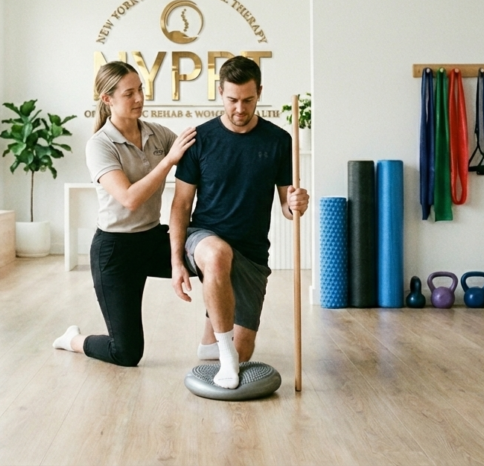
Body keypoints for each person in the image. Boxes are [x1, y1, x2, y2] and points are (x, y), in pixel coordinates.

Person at [169, 55, 309, 389]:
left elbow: (287, 209)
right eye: (232, 100)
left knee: (243, 349)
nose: (240, 108)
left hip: (252, 252)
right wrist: (176, 261)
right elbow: (180, 204)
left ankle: (213, 344)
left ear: (259, 92)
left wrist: (296, 205)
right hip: (204, 239)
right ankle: (224, 353)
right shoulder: (199, 139)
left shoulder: (278, 141)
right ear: (220, 93)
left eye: (248, 100)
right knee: (218, 256)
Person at [52, 61, 196, 367]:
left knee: (215, 257)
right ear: (108, 99)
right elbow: (129, 199)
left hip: (154, 238)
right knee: (127, 353)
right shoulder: (99, 145)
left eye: (140, 89)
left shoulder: (157, 134)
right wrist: (169, 161)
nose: (140, 98)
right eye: (129, 93)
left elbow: (198, 151)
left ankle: (214, 343)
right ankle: (73, 340)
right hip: (115, 251)